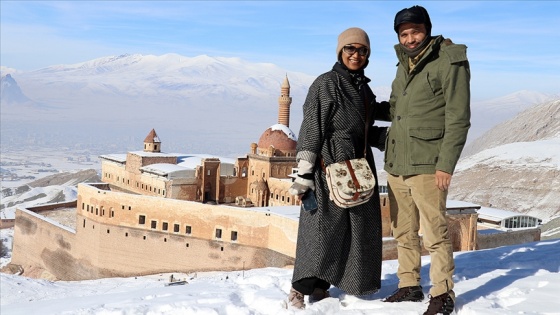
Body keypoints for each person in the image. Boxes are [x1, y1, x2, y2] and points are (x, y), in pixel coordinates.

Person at [287, 27, 390, 309]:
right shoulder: (327, 83)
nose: (356, 55)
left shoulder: (362, 87)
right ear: (340, 51)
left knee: (356, 226)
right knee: (322, 227)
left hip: (358, 164)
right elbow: (312, 126)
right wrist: (305, 171)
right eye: (350, 49)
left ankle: (334, 284)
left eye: (362, 50)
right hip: (328, 162)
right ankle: (300, 288)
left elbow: (366, 125)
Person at [382, 5, 471, 315]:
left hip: (428, 165)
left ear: (427, 29)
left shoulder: (448, 60)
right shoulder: (403, 63)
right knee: (403, 231)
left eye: (415, 31)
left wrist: (446, 164)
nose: (410, 38)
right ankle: (409, 285)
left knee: (434, 232)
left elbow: (458, 117)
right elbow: (396, 110)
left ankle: (443, 293)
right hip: (398, 164)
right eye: (404, 34)